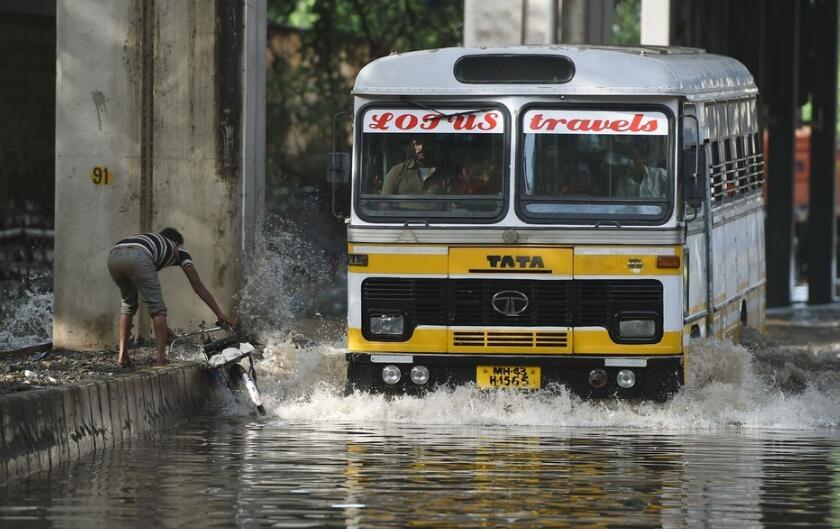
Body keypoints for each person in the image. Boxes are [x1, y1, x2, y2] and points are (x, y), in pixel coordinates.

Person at [107, 228, 236, 367]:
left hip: (114, 256)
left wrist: (164, 327)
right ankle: (161, 361)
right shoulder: (179, 249)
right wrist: (219, 313)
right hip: (139, 256)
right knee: (159, 310)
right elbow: (197, 285)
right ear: (177, 243)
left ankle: (122, 356)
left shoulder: (152, 242)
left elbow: (145, 293)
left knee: (128, 305)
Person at [381, 136, 449, 195]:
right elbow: (384, 204)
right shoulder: (398, 171)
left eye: (426, 144)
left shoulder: (443, 175)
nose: (421, 148)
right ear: (411, 146)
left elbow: (452, 206)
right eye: (417, 143)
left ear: (433, 146)